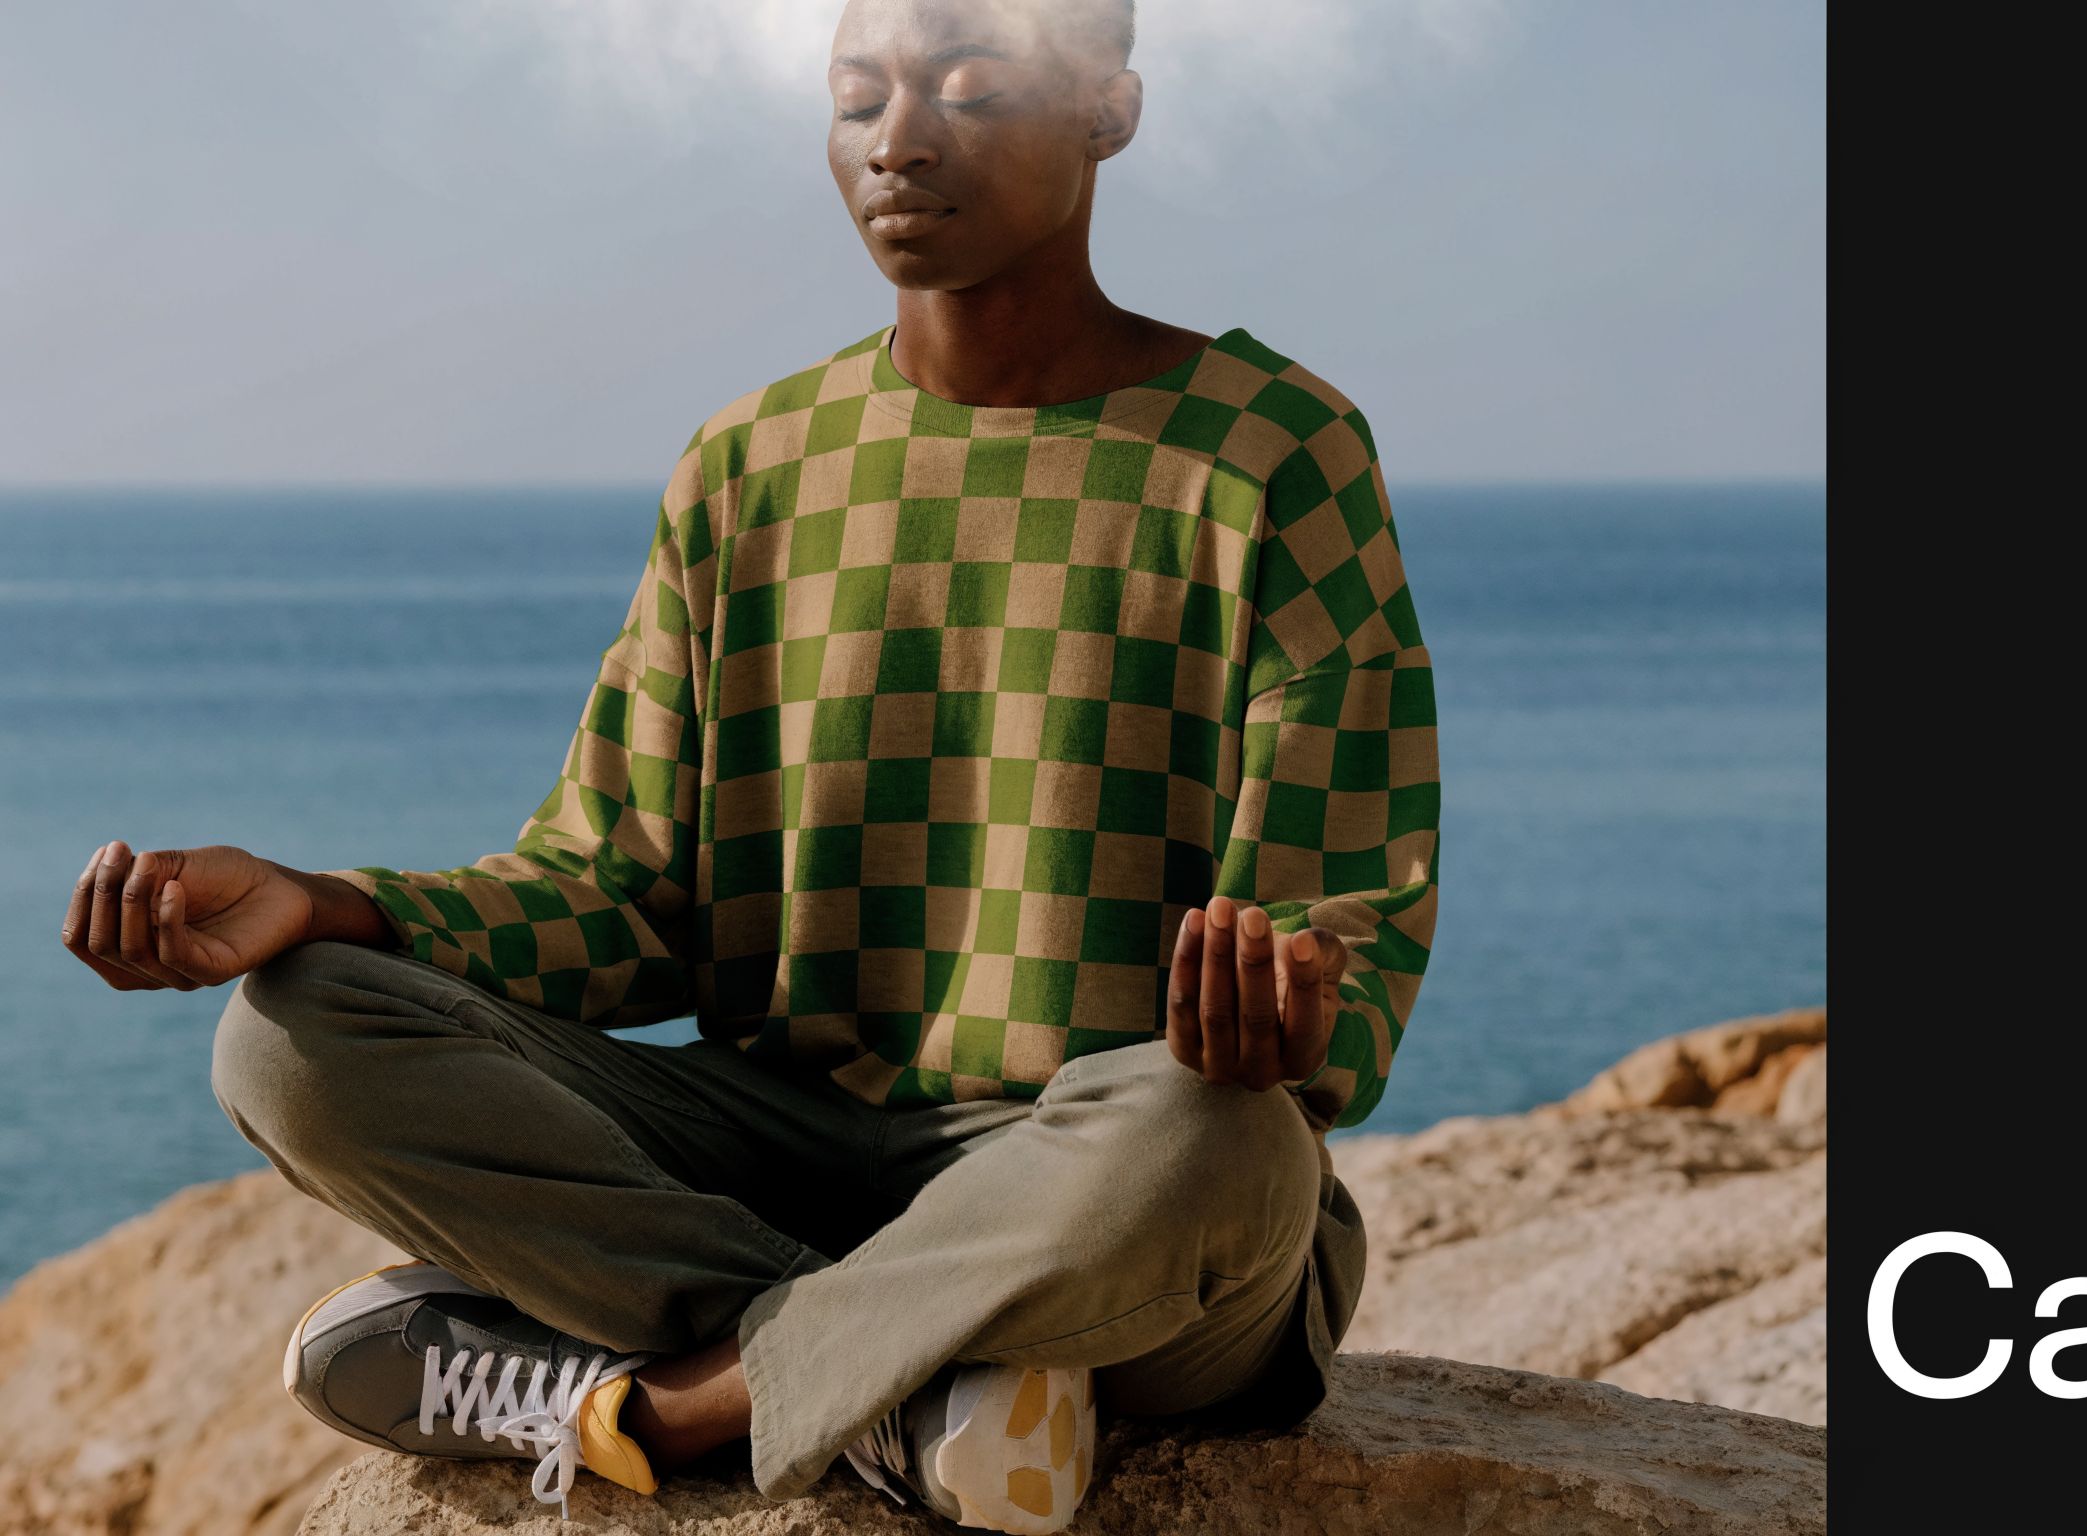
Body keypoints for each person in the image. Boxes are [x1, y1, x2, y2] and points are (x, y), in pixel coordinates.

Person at [54, 0, 1440, 1528]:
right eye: (859, 100)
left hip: (1096, 1182)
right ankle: (913, 1388)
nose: (900, 143)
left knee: (1219, 1136)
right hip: (784, 1156)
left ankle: (656, 1406)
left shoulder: (1274, 455)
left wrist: (1290, 1023)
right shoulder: (754, 461)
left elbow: (1346, 920)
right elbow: (622, 894)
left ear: (1110, 110)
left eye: (972, 94)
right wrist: (322, 905)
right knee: (286, 1033)